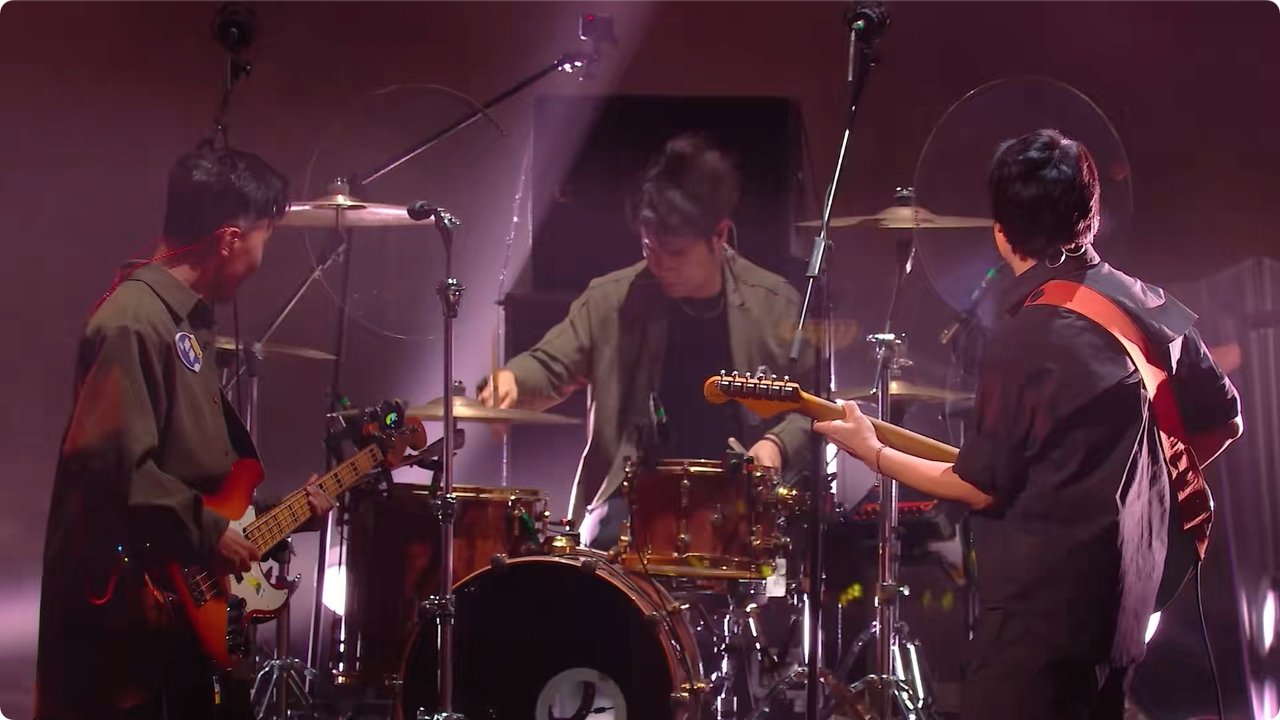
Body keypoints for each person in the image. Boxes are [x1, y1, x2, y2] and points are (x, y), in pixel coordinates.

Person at [814, 129, 1242, 720]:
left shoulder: (1029, 335)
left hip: (1037, 622)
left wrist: (872, 451)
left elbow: (977, 485)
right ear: (1091, 216)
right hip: (1124, 612)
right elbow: (1225, 421)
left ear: (1001, 231)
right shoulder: (1149, 305)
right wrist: (1146, 494)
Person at [35, 147, 337, 720]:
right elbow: (108, 467)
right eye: (264, 240)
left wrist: (276, 515)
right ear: (229, 239)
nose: (260, 259)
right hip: (135, 632)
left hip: (179, 619)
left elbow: (187, 473)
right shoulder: (132, 321)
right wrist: (208, 530)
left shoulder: (179, 323)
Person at [481, 132, 813, 549]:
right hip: (630, 507)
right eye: (649, 248)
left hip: (738, 509)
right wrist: (512, 380)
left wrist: (775, 445)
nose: (661, 265)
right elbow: (550, 365)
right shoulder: (612, 300)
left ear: (719, 235)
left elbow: (814, 409)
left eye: (676, 252)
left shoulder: (775, 305)